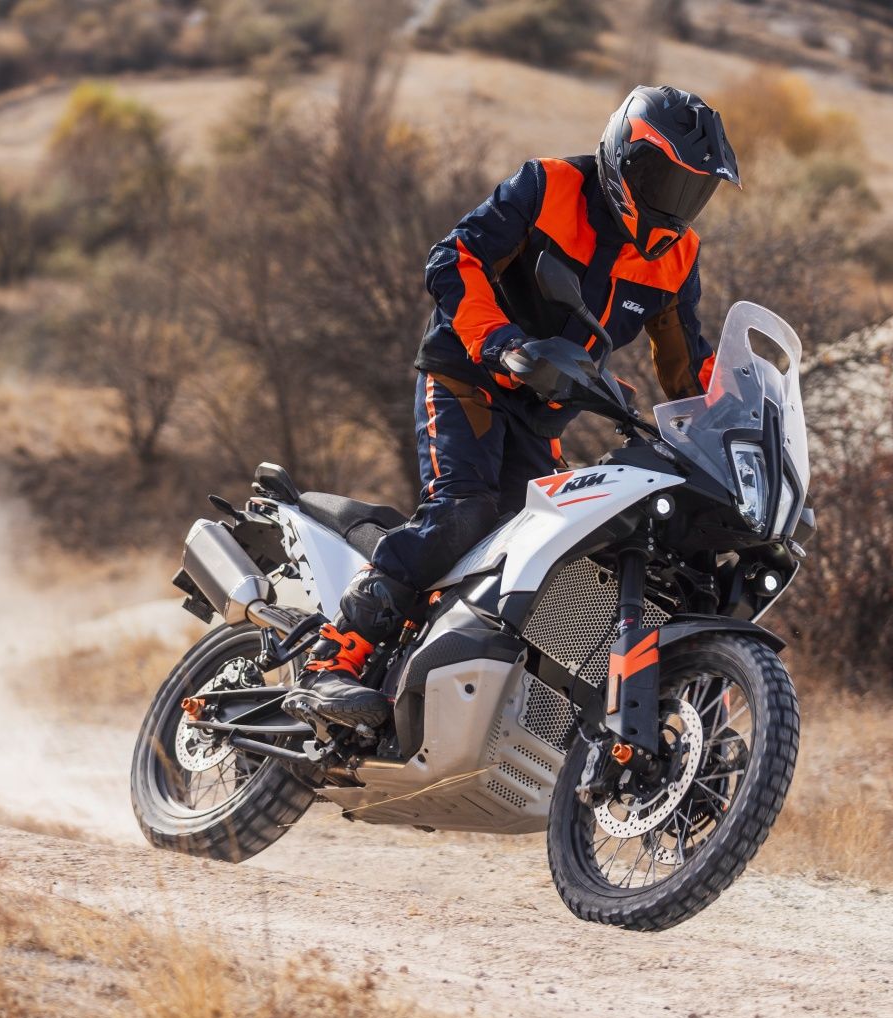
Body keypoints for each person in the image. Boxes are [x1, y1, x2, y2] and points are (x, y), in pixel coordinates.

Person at [283, 84, 741, 739]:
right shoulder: (550, 186)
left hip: (543, 414)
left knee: (554, 557)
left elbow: (685, 368)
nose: (678, 205)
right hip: (467, 375)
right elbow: (453, 258)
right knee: (464, 509)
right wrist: (502, 343)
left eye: (694, 191)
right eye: (666, 181)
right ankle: (338, 657)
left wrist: (726, 430)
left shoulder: (678, 257)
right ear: (625, 159)